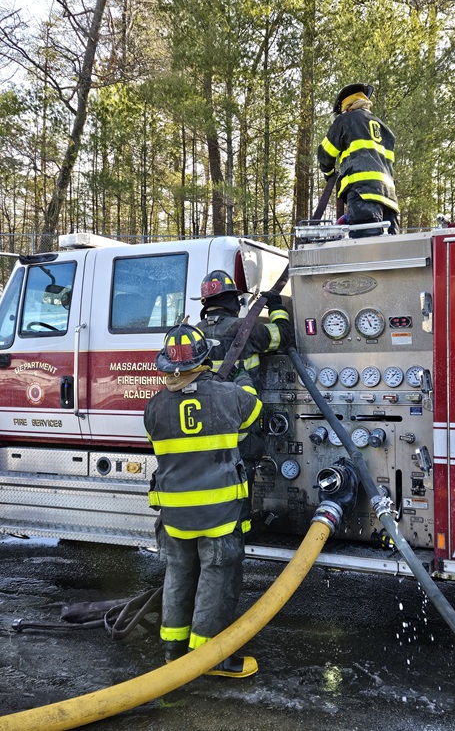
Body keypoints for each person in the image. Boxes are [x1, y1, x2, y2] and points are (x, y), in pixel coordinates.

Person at [144, 322, 262, 675]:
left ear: (166, 365)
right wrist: (242, 377)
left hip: (175, 516)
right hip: (219, 515)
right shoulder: (229, 396)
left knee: (178, 575)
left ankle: (173, 649)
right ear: (205, 358)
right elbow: (253, 413)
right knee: (217, 576)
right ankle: (212, 658)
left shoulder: (154, 408)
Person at [193, 270, 292, 493]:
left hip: (203, 431)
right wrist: (276, 307)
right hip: (242, 430)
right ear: (232, 301)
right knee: (240, 494)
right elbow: (283, 335)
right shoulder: (244, 329)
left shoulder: (193, 335)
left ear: (205, 303)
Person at [318, 82, 399, 237]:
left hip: (363, 194)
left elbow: (324, 154)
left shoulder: (346, 120)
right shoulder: (385, 129)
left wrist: (328, 173)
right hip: (390, 202)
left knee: (364, 252)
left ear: (345, 107)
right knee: (391, 253)